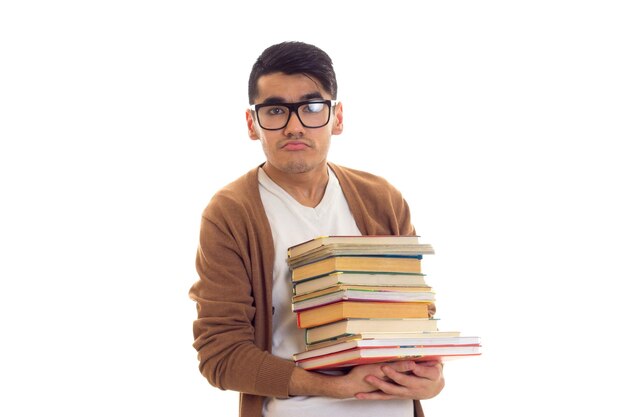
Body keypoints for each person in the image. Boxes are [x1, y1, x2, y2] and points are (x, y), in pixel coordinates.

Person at [189, 41, 445, 417]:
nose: (294, 126)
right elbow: (221, 354)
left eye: (311, 107)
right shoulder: (231, 213)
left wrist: (432, 377)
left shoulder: (382, 199)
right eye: (275, 110)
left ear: (336, 117)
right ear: (252, 123)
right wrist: (333, 387)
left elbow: (416, 321)